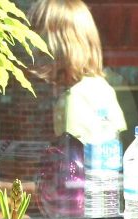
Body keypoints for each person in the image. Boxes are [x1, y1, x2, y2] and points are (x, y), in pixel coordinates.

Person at [27, 0, 127, 146]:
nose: (32, 46)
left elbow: (72, 158)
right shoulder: (102, 87)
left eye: (38, 37)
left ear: (59, 45)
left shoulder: (76, 97)